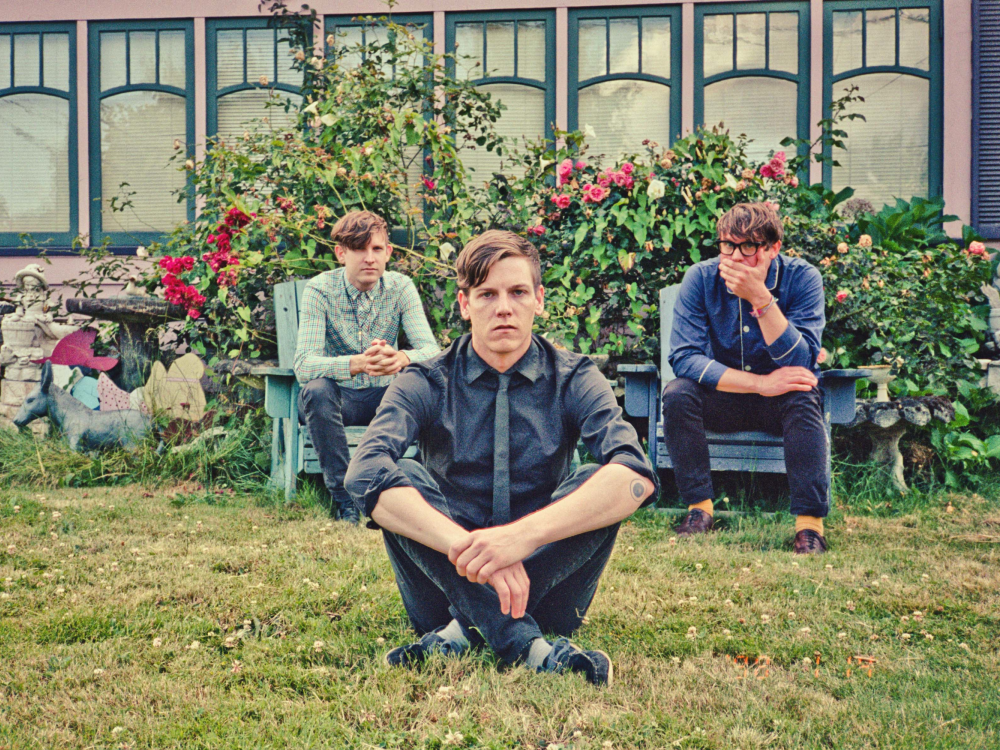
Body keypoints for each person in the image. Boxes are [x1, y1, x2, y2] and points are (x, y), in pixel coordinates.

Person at [344, 230, 658, 686]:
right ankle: (531, 648)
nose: (504, 307)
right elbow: (364, 470)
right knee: (402, 473)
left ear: (539, 300)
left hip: (547, 589)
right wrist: (469, 550)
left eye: (518, 292)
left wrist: (519, 540)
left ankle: (458, 635)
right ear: (465, 304)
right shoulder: (425, 380)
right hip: (441, 589)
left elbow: (635, 475)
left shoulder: (575, 377)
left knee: (599, 480)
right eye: (487, 294)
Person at [661, 202, 830, 554]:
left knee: (803, 394)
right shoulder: (701, 278)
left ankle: (810, 526)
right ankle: (699, 510)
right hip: (723, 398)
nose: (736, 257)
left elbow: (800, 359)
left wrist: (761, 298)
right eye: (728, 245)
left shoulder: (803, 278)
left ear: (773, 248)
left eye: (749, 247)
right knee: (678, 393)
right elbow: (684, 357)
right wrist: (760, 384)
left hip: (782, 404)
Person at [294, 210, 440, 523]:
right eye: (360, 249)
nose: (369, 258)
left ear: (388, 252)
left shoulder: (400, 287)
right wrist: (357, 363)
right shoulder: (320, 290)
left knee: (426, 384)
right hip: (339, 401)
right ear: (341, 253)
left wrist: (401, 358)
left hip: (385, 398)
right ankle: (345, 500)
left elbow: (432, 352)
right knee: (316, 390)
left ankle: (412, 488)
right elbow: (304, 365)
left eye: (377, 249)